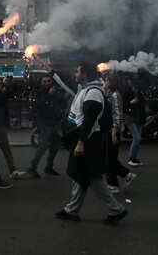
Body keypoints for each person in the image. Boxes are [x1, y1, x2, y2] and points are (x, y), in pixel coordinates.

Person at [55, 62, 128, 224]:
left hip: (87, 140)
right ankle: (72, 210)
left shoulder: (93, 92)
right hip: (84, 138)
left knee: (93, 177)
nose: (76, 74)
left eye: (78, 71)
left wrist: (81, 142)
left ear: (85, 74)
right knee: (80, 175)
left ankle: (116, 209)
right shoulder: (87, 89)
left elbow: (89, 120)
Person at [102, 73, 136, 193]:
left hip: (112, 130)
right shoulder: (109, 93)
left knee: (110, 158)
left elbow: (117, 114)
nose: (105, 82)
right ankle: (120, 179)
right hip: (108, 129)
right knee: (109, 157)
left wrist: (114, 132)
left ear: (112, 82)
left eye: (107, 81)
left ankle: (120, 179)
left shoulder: (115, 95)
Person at [27, 75, 65, 178]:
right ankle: (32, 168)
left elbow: (59, 104)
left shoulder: (54, 92)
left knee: (54, 146)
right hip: (43, 123)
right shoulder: (38, 93)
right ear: (42, 83)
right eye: (45, 81)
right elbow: (39, 108)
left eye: (49, 81)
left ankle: (49, 167)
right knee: (42, 147)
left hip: (52, 123)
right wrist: (50, 95)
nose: (47, 83)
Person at [123, 78, 146, 166]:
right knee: (136, 138)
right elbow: (123, 107)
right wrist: (131, 102)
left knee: (138, 139)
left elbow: (142, 107)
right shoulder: (126, 93)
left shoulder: (139, 94)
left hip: (138, 118)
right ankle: (131, 158)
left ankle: (134, 158)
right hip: (129, 117)